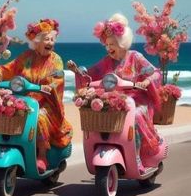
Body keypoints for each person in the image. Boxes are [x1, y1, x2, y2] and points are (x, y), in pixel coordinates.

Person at [67, 13, 162, 174]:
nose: (109, 47)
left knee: (137, 116)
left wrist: (146, 81)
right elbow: (89, 75)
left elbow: (155, 73)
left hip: (136, 100)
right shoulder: (106, 61)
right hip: (114, 100)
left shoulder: (135, 57)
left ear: (122, 43)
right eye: (107, 44)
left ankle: (137, 156)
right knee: (98, 113)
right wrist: (77, 71)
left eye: (113, 44)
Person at [0, 18, 73, 173]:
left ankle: (42, 154)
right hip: (23, 99)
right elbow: (9, 68)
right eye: (46, 39)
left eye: (52, 39)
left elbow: (58, 79)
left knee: (38, 116)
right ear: (37, 41)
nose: (50, 42)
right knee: (3, 108)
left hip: (47, 103)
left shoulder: (56, 60)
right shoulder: (26, 56)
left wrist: (49, 86)